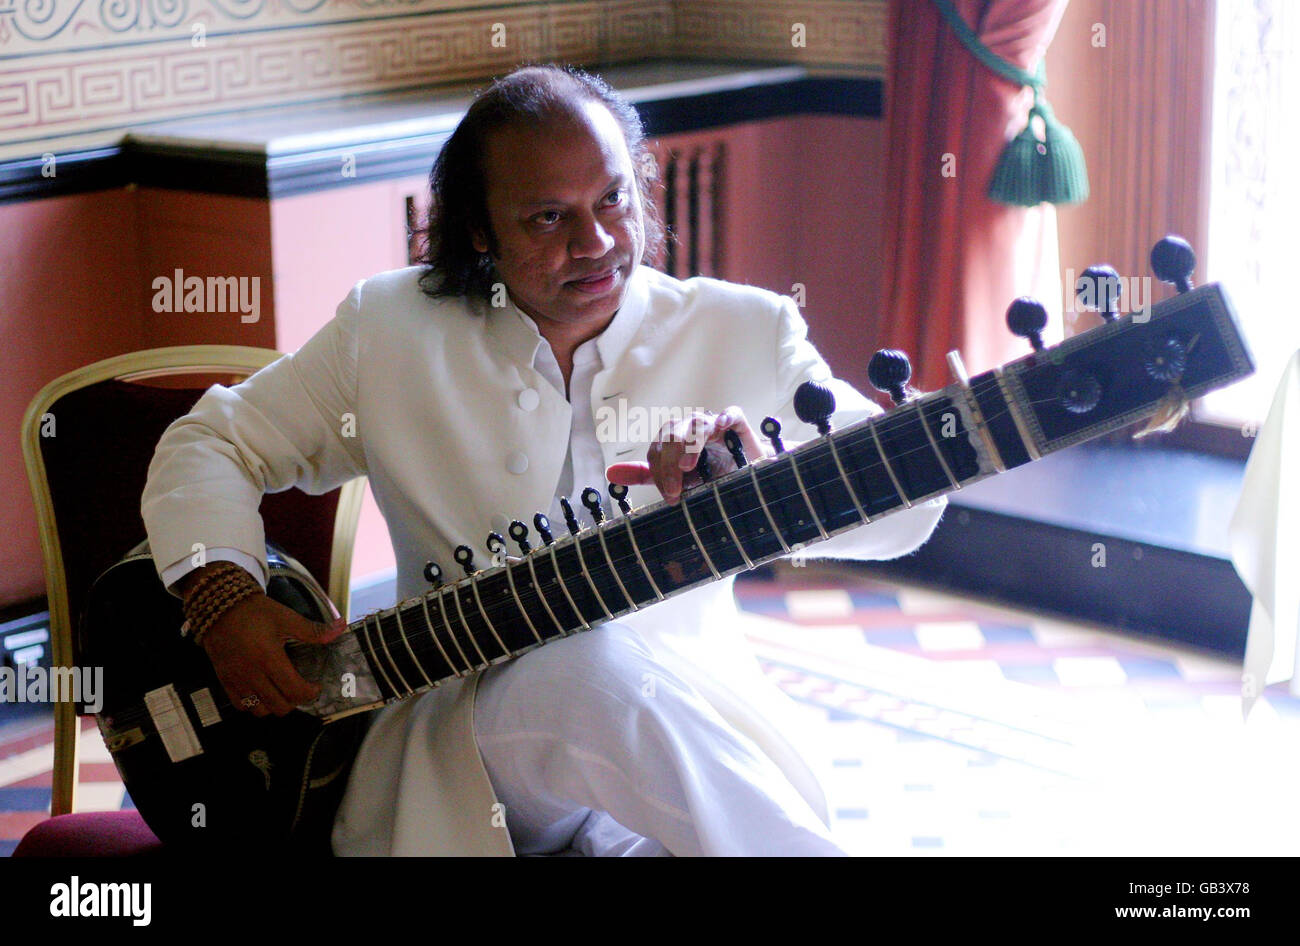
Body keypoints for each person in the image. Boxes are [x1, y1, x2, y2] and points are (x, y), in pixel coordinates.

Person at [141, 63, 946, 856]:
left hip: (694, 743)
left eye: (613, 200)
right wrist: (221, 594)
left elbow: (906, 507)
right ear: (480, 231)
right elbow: (213, 439)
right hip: (468, 757)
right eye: (547, 219)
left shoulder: (744, 330)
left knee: (608, 684)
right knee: (584, 670)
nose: (595, 244)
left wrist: (759, 479)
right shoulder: (389, 330)